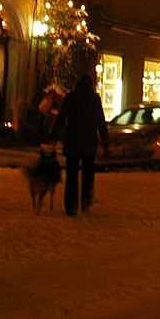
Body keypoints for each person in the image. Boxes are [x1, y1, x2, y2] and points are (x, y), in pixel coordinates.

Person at [49, 73, 109, 216]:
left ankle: (71, 205)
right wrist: (106, 142)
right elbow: (101, 122)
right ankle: (86, 202)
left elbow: (61, 118)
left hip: (73, 141)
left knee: (72, 175)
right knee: (88, 174)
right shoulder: (94, 99)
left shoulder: (70, 97)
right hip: (89, 142)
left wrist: (53, 136)